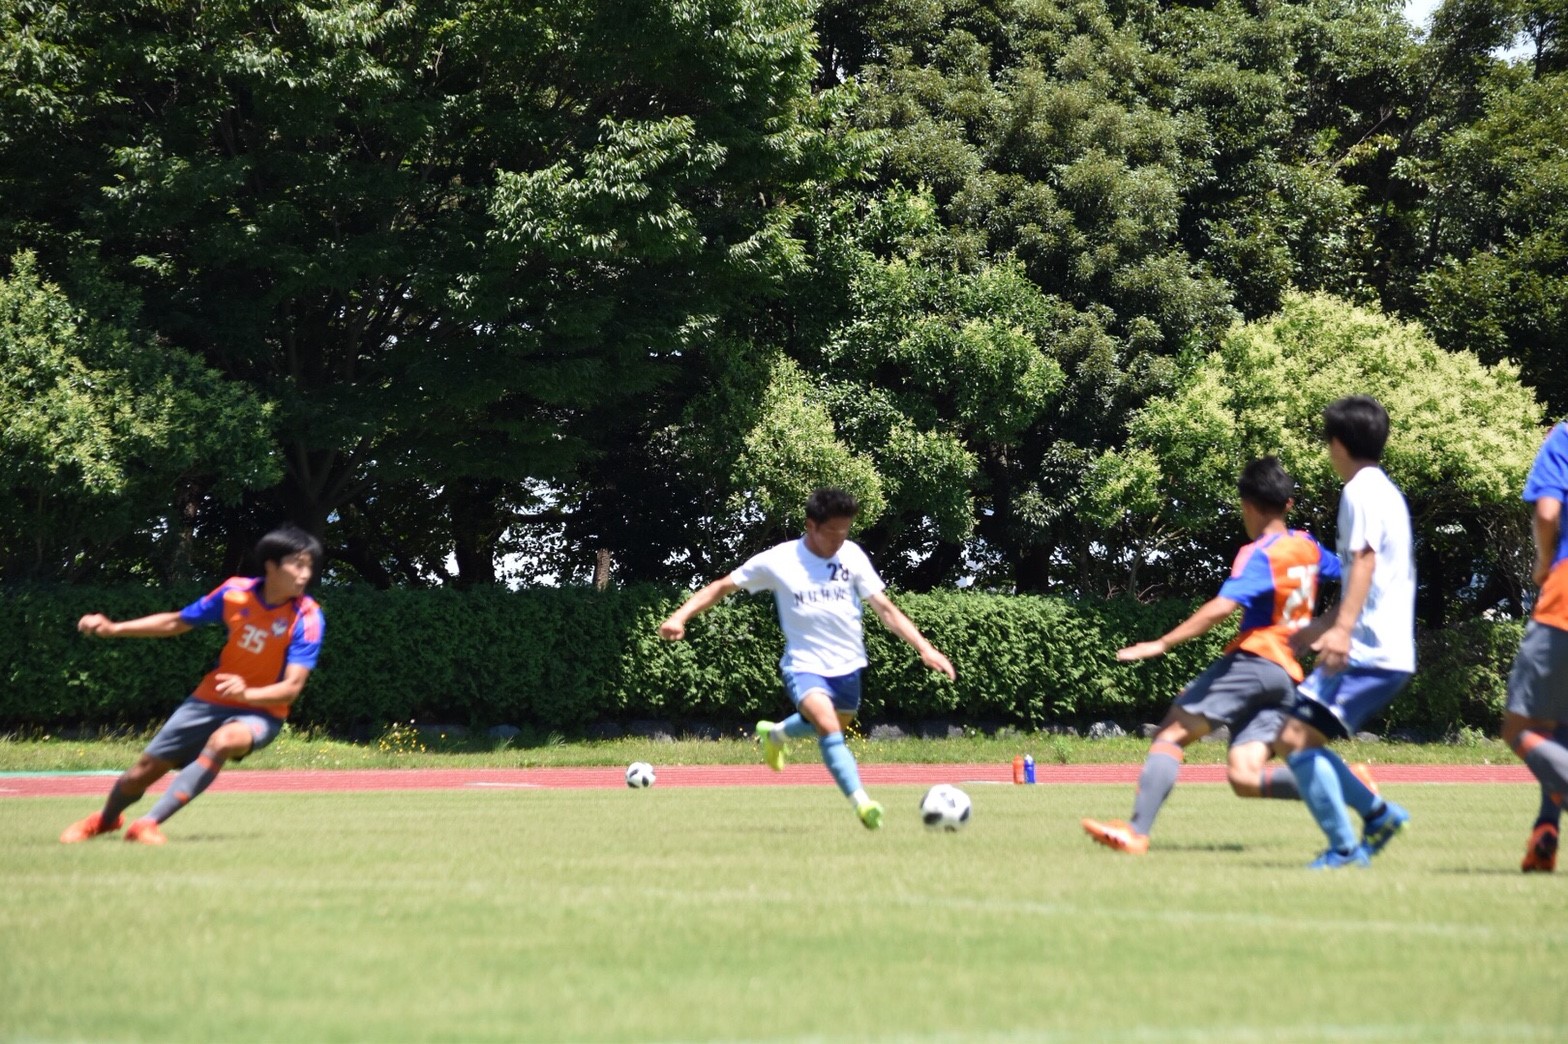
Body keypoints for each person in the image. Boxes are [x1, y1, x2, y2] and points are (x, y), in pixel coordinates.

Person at [1082, 457, 1344, 855]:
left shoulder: (1260, 553)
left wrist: (1162, 643)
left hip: (1256, 659)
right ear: (1288, 504)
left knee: (1171, 733)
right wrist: (1327, 625)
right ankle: (1348, 784)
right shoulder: (1308, 546)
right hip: (1288, 675)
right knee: (1245, 777)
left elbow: (1222, 607)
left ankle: (1136, 832)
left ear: (1247, 505)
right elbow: (1359, 577)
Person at [658, 487, 956, 829]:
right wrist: (679, 616)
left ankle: (776, 735)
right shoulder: (780, 560)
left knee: (835, 722)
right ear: (810, 525)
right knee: (828, 726)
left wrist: (925, 648)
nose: (839, 540)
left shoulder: (852, 556)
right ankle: (863, 804)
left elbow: (886, 609)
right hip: (803, 664)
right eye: (832, 532)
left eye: (845, 531)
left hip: (848, 664)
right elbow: (722, 586)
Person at [60, 525, 326, 846]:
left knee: (224, 741)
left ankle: (147, 824)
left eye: (309, 566)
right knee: (141, 773)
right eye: (298, 564)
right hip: (210, 699)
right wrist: (114, 628)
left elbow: (292, 688)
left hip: (263, 710)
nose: (305, 574)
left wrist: (246, 693)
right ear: (271, 565)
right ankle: (104, 821)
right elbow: (177, 621)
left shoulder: (308, 618)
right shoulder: (234, 593)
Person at [1274, 395, 1415, 869]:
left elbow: (1366, 563)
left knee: (1294, 738)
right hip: (1379, 648)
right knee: (1299, 738)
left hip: (1370, 652)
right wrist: (1322, 625)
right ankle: (1377, 816)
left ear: (1338, 443)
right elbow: (1366, 578)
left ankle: (1344, 848)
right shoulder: (1384, 491)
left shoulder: (1360, 492)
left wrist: (1342, 632)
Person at [1500, 420, 1568, 872]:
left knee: (1520, 728)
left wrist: (1543, 565)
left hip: (1564, 598)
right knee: (1558, 730)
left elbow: (1546, 513)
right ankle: (1545, 829)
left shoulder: (1563, 437)